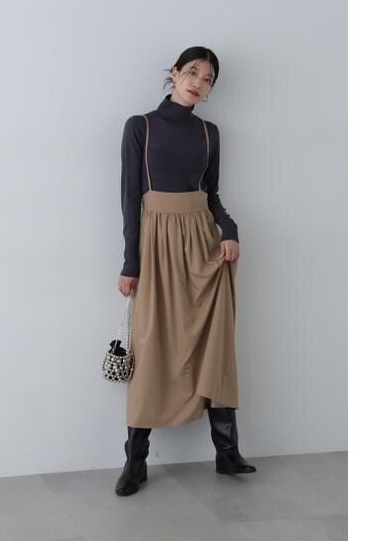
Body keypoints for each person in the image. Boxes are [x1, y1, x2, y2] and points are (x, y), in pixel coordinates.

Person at [115, 47, 256, 497]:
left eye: (208, 78)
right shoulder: (140, 126)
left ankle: (227, 452)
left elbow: (212, 195)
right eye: (193, 72)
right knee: (151, 344)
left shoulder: (210, 133)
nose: (199, 82)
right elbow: (129, 198)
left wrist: (229, 231)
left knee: (217, 341)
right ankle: (135, 462)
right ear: (175, 73)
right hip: (156, 242)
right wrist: (131, 262)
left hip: (202, 244)